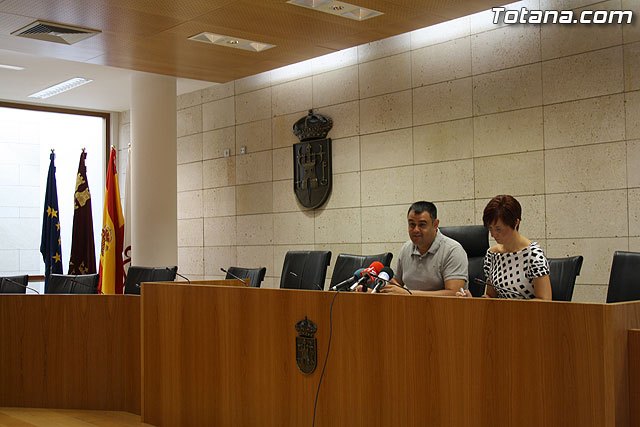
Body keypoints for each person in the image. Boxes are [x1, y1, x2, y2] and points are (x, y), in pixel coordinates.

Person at [458, 195, 551, 300]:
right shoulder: (492, 254)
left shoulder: (533, 255)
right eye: (490, 228)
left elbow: (545, 301)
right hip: (500, 310)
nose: (493, 234)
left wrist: (512, 306)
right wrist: (472, 301)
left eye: (498, 229)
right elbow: (490, 297)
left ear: (515, 223)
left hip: (527, 311)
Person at [379, 201, 468, 295]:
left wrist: (408, 294)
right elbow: (396, 283)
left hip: (441, 305)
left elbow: (454, 293)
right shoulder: (406, 248)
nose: (416, 230)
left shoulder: (453, 250)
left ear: (435, 224)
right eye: (412, 224)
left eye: (422, 225)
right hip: (408, 304)